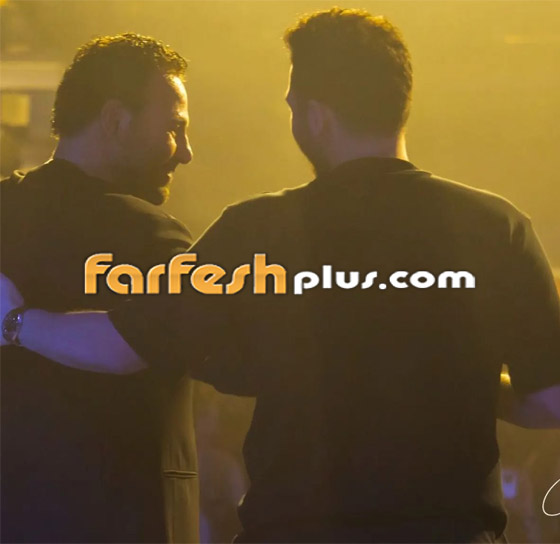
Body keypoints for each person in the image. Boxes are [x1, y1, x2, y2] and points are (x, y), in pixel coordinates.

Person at [1, 7, 560, 543]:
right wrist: (468, 382)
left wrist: (17, 320)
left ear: (316, 116)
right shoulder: (498, 227)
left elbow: (126, 344)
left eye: (293, 106)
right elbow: (551, 401)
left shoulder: (258, 231)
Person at [0, 34, 198, 543]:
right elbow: (134, 343)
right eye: (173, 128)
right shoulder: (151, 235)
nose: (185, 153)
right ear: (114, 119)